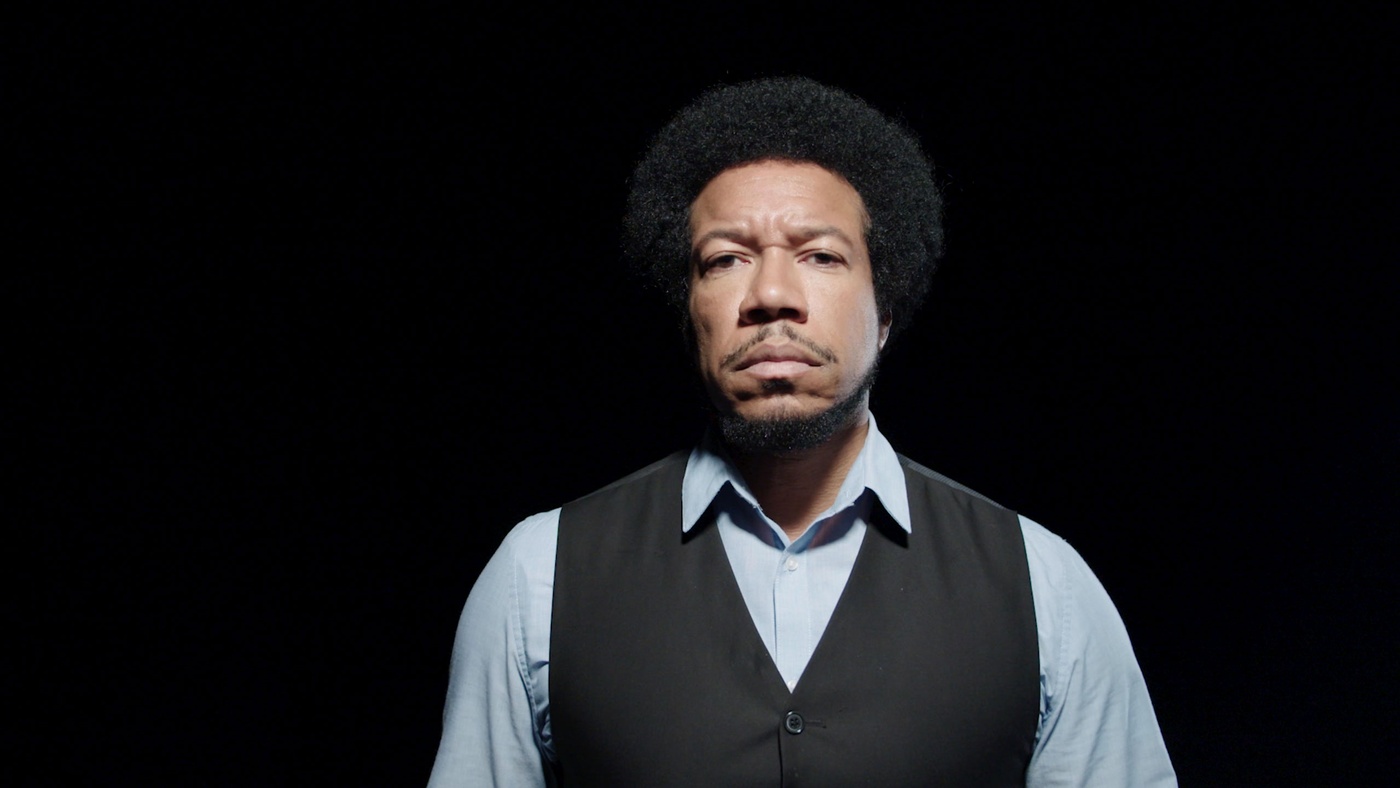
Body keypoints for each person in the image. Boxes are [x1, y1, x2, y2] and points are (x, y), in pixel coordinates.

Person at [428, 77, 1176, 786]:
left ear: (885, 313)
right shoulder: (538, 576)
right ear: (689, 311)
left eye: (820, 255)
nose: (772, 294)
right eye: (726, 259)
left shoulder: (1044, 586)